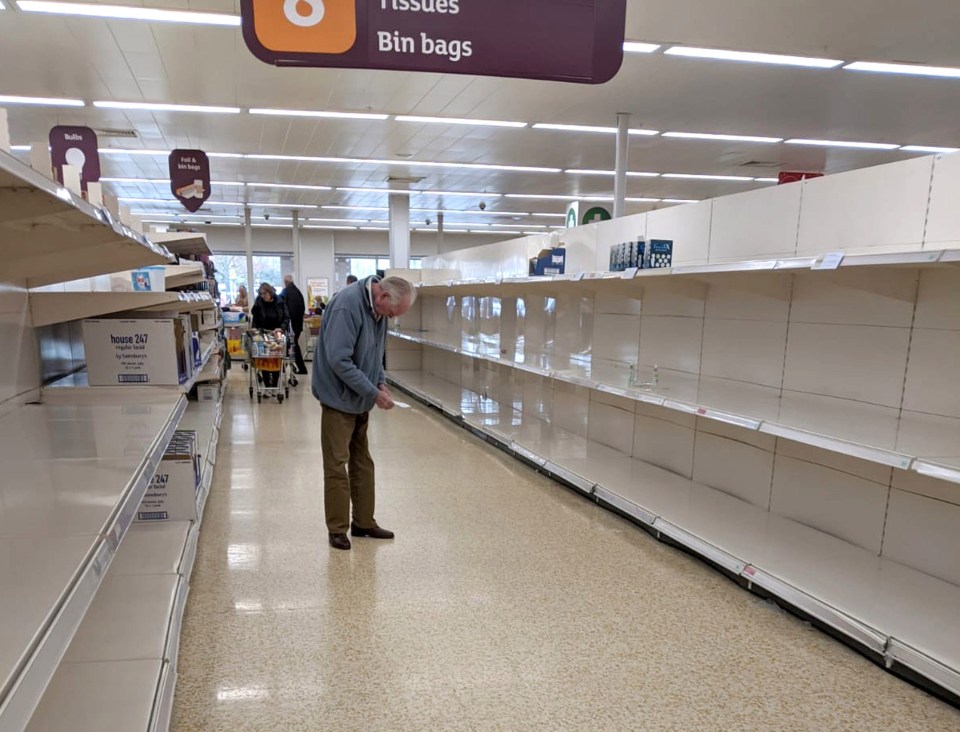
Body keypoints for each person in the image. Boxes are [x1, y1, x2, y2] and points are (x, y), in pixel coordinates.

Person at [312, 275, 416, 551]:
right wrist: (373, 392)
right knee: (337, 465)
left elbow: (376, 353)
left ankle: (363, 522)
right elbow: (339, 360)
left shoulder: (379, 312)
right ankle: (337, 529)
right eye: (392, 313)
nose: (391, 319)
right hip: (338, 398)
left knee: (362, 462)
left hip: (361, 398)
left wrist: (380, 381)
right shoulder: (347, 306)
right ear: (381, 296)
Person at [251, 282, 290, 388]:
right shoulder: (259, 302)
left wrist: (281, 328)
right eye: (261, 294)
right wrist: (254, 328)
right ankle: (267, 386)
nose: (263, 296)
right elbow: (255, 317)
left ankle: (275, 385)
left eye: (264, 293)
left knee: (276, 359)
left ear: (270, 292)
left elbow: (286, 317)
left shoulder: (280, 301)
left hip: (277, 334)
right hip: (263, 334)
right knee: (264, 359)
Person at [281, 274, 308, 376]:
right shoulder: (297, 292)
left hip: (292, 325)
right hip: (297, 324)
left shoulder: (287, 292)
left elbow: (289, 311)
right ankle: (285, 368)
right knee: (291, 345)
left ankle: (299, 368)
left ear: (286, 282)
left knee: (292, 345)